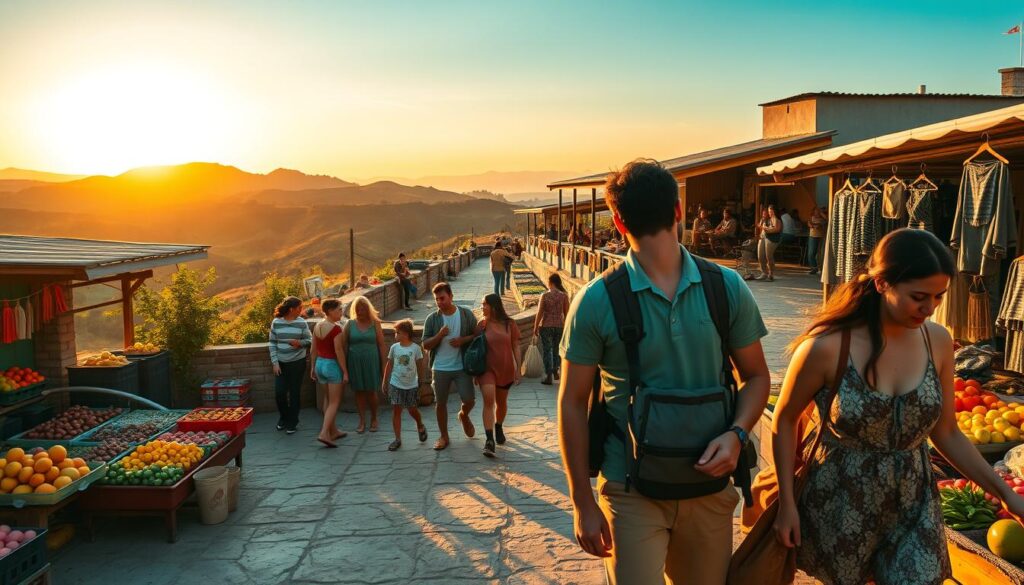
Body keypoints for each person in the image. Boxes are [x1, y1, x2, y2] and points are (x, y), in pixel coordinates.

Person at [558, 159, 771, 585]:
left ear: (617, 221)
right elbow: (758, 377)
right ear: (679, 211)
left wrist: (582, 501)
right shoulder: (728, 286)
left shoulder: (595, 299)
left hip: (696, 489)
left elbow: (571, 402)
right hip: (635, 486)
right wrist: (738, 433)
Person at [771, 229, 1024, 585]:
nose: (930, 308)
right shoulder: (825, 347)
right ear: (881, 284)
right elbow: (783, 421)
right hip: (842, 500)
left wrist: (1007, 495)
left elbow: (947, 432)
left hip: (913, 500)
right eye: (918, 297)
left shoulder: (936, 340)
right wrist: (786, 504)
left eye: (939, 297)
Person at [422, 282, 479, 450]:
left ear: (451, 296)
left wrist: (463, 340)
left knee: (469, 399)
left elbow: (476, 336)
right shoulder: (432, 319)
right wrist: (439, 335)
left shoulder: (466, 314)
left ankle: (464, 414)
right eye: (437, 299)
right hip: (440, 367)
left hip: (461, 366)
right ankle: (444, 436)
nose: (439, 302)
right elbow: (425, 344)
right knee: (440, 403)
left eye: (442, 298)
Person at [475, 293, 521, 457]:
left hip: (505, 368)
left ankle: (499, 425)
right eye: (482, 304)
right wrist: (475, 373)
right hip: (486, 370)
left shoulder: (510, 324)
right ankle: (489, 440)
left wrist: (518, 369)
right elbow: (476, 349)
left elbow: (515, 346)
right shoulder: (482, 324)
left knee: (501, 403)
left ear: (494, 306)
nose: (482, 307)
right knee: (489, 400)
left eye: (485, 304)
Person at [341, 296, 387, 434]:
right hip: (354, 361)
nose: (360, 311)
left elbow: (381, 345)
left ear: (368, 310)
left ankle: (374, 418)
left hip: (371, 361)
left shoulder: (375, 323)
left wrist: (384, 365)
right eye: (357, 309)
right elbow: (342, 345)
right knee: (359, 392)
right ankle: (362, 420)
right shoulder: (349, 324)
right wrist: (343, 366)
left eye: (363, 309)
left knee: (372, 391)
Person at [381, 319, 427, 451]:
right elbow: (389, 364)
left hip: (411, 385)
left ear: (406, 334)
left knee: (412, 409)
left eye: (397, 332)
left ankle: (420, 425)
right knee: (396, 410)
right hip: (395, 383)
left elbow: (419, 365)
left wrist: (421, 381)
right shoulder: (394, 348)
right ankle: (397, 438)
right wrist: (385, 381)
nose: (395, 334)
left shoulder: (415, 349)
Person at [269, 296, 312, 435]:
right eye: (300, 307)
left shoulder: (301, 323)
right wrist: (275, 363)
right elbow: (272, 343)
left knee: (294, 394)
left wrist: (300, 343)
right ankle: (284, 417)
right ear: (292, 309)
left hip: (297, 363)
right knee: (279, 393)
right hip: (281, 364)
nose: (302, 310)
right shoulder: (276, 322)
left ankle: (292, 422)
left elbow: (309, 340)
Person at [311, 299, 349, 447]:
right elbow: (339, 351)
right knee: (334, 402)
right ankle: (324, 433)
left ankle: (333, 431)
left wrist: (313, 367)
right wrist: (345, 372)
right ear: (331, 311)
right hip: (332, 365)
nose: (341, 313)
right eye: (339, 310)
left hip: (320, 364)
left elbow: (313, 349)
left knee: (327, 399)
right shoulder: (336, 329)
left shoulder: (317, 325)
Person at [532, 273, 569, 386]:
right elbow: (567, 314)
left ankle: (549, 375)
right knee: (557, 349)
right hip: (559, 326)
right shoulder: (564, 296)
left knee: (547, 350)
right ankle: (555, 369)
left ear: (551, 282)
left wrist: (535, 327)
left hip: (546, 325)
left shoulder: (545, 295)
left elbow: (540, 313)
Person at [757, 205, 782, 281]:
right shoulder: (766, 219)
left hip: (771, 239)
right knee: (760, 256)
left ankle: (771, 274)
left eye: (771, 211)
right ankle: (764, 272)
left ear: (775, 211)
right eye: (769, 211)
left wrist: (767, 229)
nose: (770, 213)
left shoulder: (777, 220)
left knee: (769, 256)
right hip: (763, 237)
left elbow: (777, 229)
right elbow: (760, 226)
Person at [806, 206, 827, 275]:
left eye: (818, 211)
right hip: (812, 236)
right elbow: (810, 224)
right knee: (811, 253)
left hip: (820, 237)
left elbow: (824, 222)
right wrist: (814, 225)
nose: (817, 212)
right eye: (816, 211)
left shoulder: (823, 219)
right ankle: (814, 268)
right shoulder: (811, 217)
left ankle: (818, 268)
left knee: (819, 254)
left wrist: (821, 214)